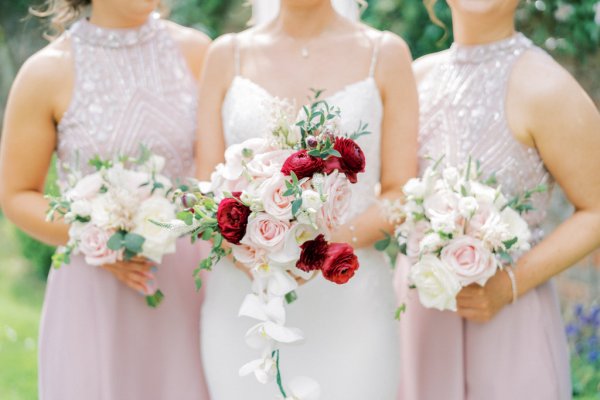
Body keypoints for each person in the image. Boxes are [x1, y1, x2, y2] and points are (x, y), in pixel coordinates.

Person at [196, 0, 419, 398]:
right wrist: (256, 250)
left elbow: (402, 190)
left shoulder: (385, 54)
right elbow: (203, 191)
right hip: (245, 301)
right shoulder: (225, 55)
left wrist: (317, 248)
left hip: (350, 298)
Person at [0, 1, 211, 398]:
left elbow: (219, 170)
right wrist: (99, 237)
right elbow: (16, 195)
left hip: (191, 282)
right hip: (95, 287)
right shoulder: (45, 72)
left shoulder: (199, 52)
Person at [395, 0, 600, 398]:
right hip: (422, 316)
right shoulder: (413, 79)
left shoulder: (548, 86)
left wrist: (508, 285)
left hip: (509, 315)